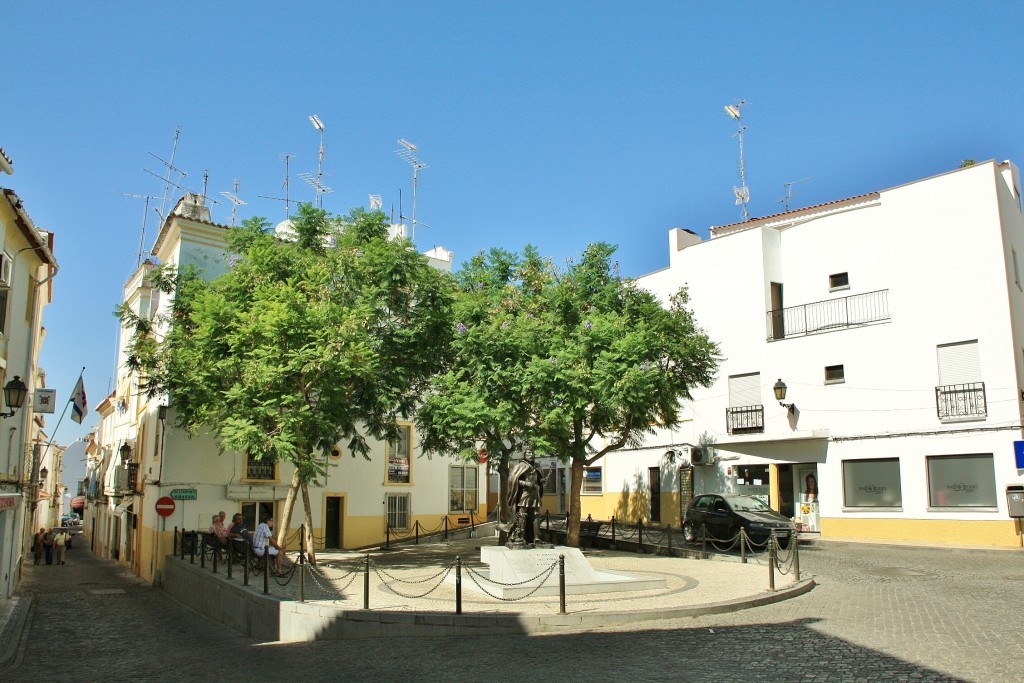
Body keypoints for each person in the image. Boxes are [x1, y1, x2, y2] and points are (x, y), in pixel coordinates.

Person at [504, 447, 545, 547]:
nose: (531, 455)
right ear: (524, 455)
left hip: (535, 494)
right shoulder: (520, 466)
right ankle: (520, 537)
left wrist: (542, 482)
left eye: (532, 453)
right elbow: (513, 480)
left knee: (536, 515)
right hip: (524, 494)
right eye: (529, 453)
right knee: (522, 515)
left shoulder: (537, 466)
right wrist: (525, 483)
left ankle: (536, 538)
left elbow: (539, 480)